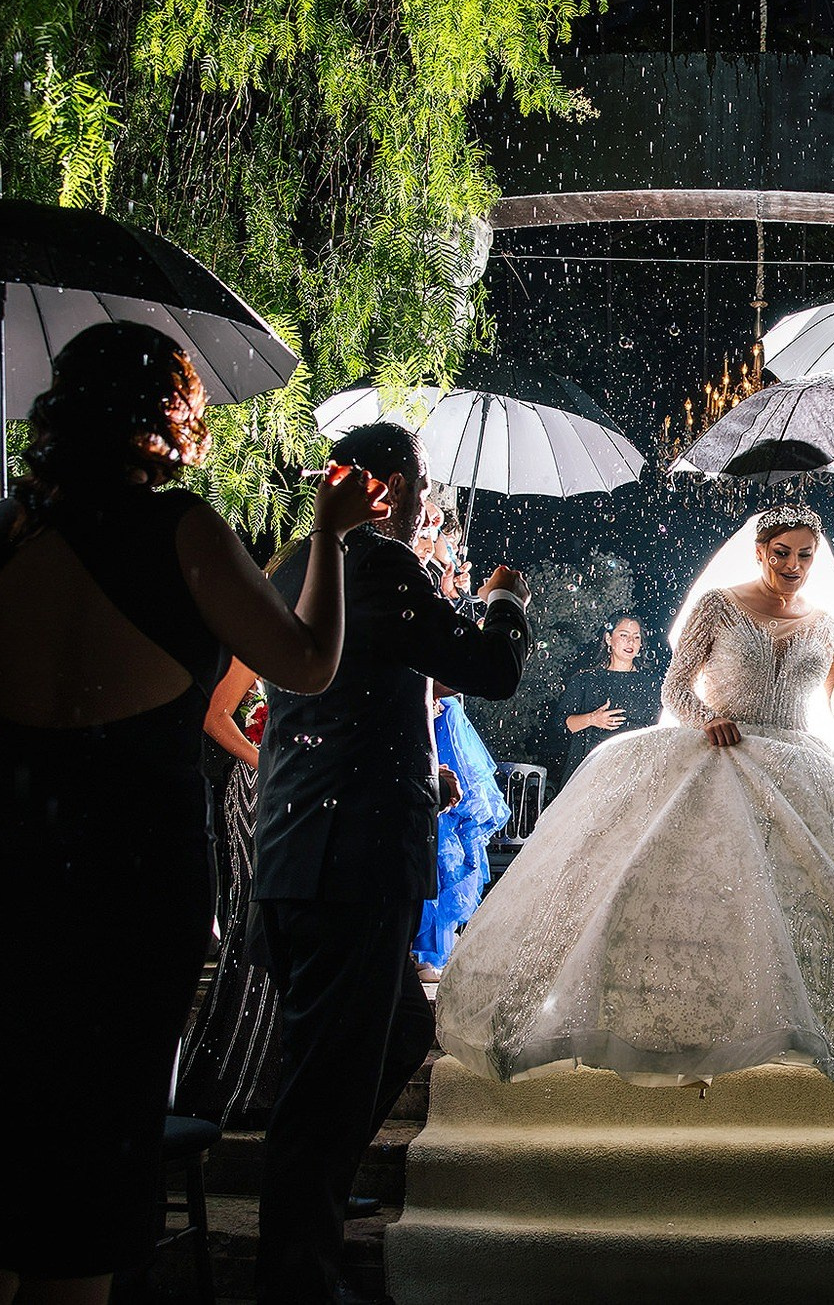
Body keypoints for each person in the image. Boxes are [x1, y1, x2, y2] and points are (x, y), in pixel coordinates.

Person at [0, 321, 379, 1304]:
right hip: (124, 863)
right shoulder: (179, 530)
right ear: (167, 414)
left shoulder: (7, 528)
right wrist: (331, 539)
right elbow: (306, 663)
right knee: (99, 1135)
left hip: (3, 851)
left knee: (1, 1131)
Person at [434, 503, 834, 1109]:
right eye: (782, 553)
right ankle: (681, 1028)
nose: (794, 566)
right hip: (719, 748)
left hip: (797, 761)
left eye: (805, 555)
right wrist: (710, 719)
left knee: (804, 894)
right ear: (760, 551)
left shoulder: (829, 619)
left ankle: (791, 1018)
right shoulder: (719, 605)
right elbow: (675, 687)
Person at [253, 421, 531, 1305]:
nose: (428, 504)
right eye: (421, 486)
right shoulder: (377, 564)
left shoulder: (293, 561)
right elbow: (489, 668)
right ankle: (297, 1266)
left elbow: (340, 687)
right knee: (323, 1078)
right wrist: (504, 600)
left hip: (304, 840)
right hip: (352, 857)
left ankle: (316, 1194)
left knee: (396, 1036)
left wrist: (421, 770)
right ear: (386, 487)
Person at [176, 648, 281, 1128]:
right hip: (256, 790)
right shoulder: (253, 647)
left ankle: (259, 1078)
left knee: (271, 930)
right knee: (254, 925)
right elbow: (214, 715)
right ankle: (230, 1082)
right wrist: (264, 761)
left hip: (283, 791)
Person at [413, 692, 510, 984]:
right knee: (435, 846)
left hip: (437, 724)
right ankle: (420, 951)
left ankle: (430, 952)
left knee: (444, 846)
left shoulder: (448, 709)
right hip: (415, 723)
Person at [557, 615, 661, 784]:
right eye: (624, 635)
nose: (631, 642)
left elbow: (658, 729)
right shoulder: (585, 680)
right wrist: (592, 719)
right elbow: (561, 723)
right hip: (592, 772)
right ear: (608, 638)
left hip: (635, 773)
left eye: (636, 637)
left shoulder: (652, 684)